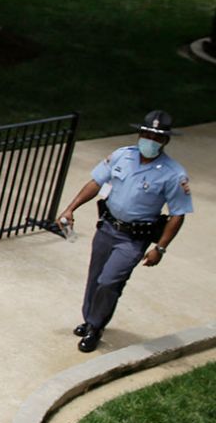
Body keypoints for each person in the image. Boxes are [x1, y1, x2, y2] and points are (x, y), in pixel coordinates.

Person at [58, 110, 191, 352]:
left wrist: (160, 248)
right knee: (95, 277)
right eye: (147, 133)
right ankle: (89, 319)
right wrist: (70, 208)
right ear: (140, 133)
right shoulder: (122, 156)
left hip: (133, 239)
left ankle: (96, 326)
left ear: (165, 140)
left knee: (109, 282)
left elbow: (178, 214)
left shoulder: (173, 174)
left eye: (157, 137)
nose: (150, 140)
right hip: (107, 227)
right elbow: (96, 182)